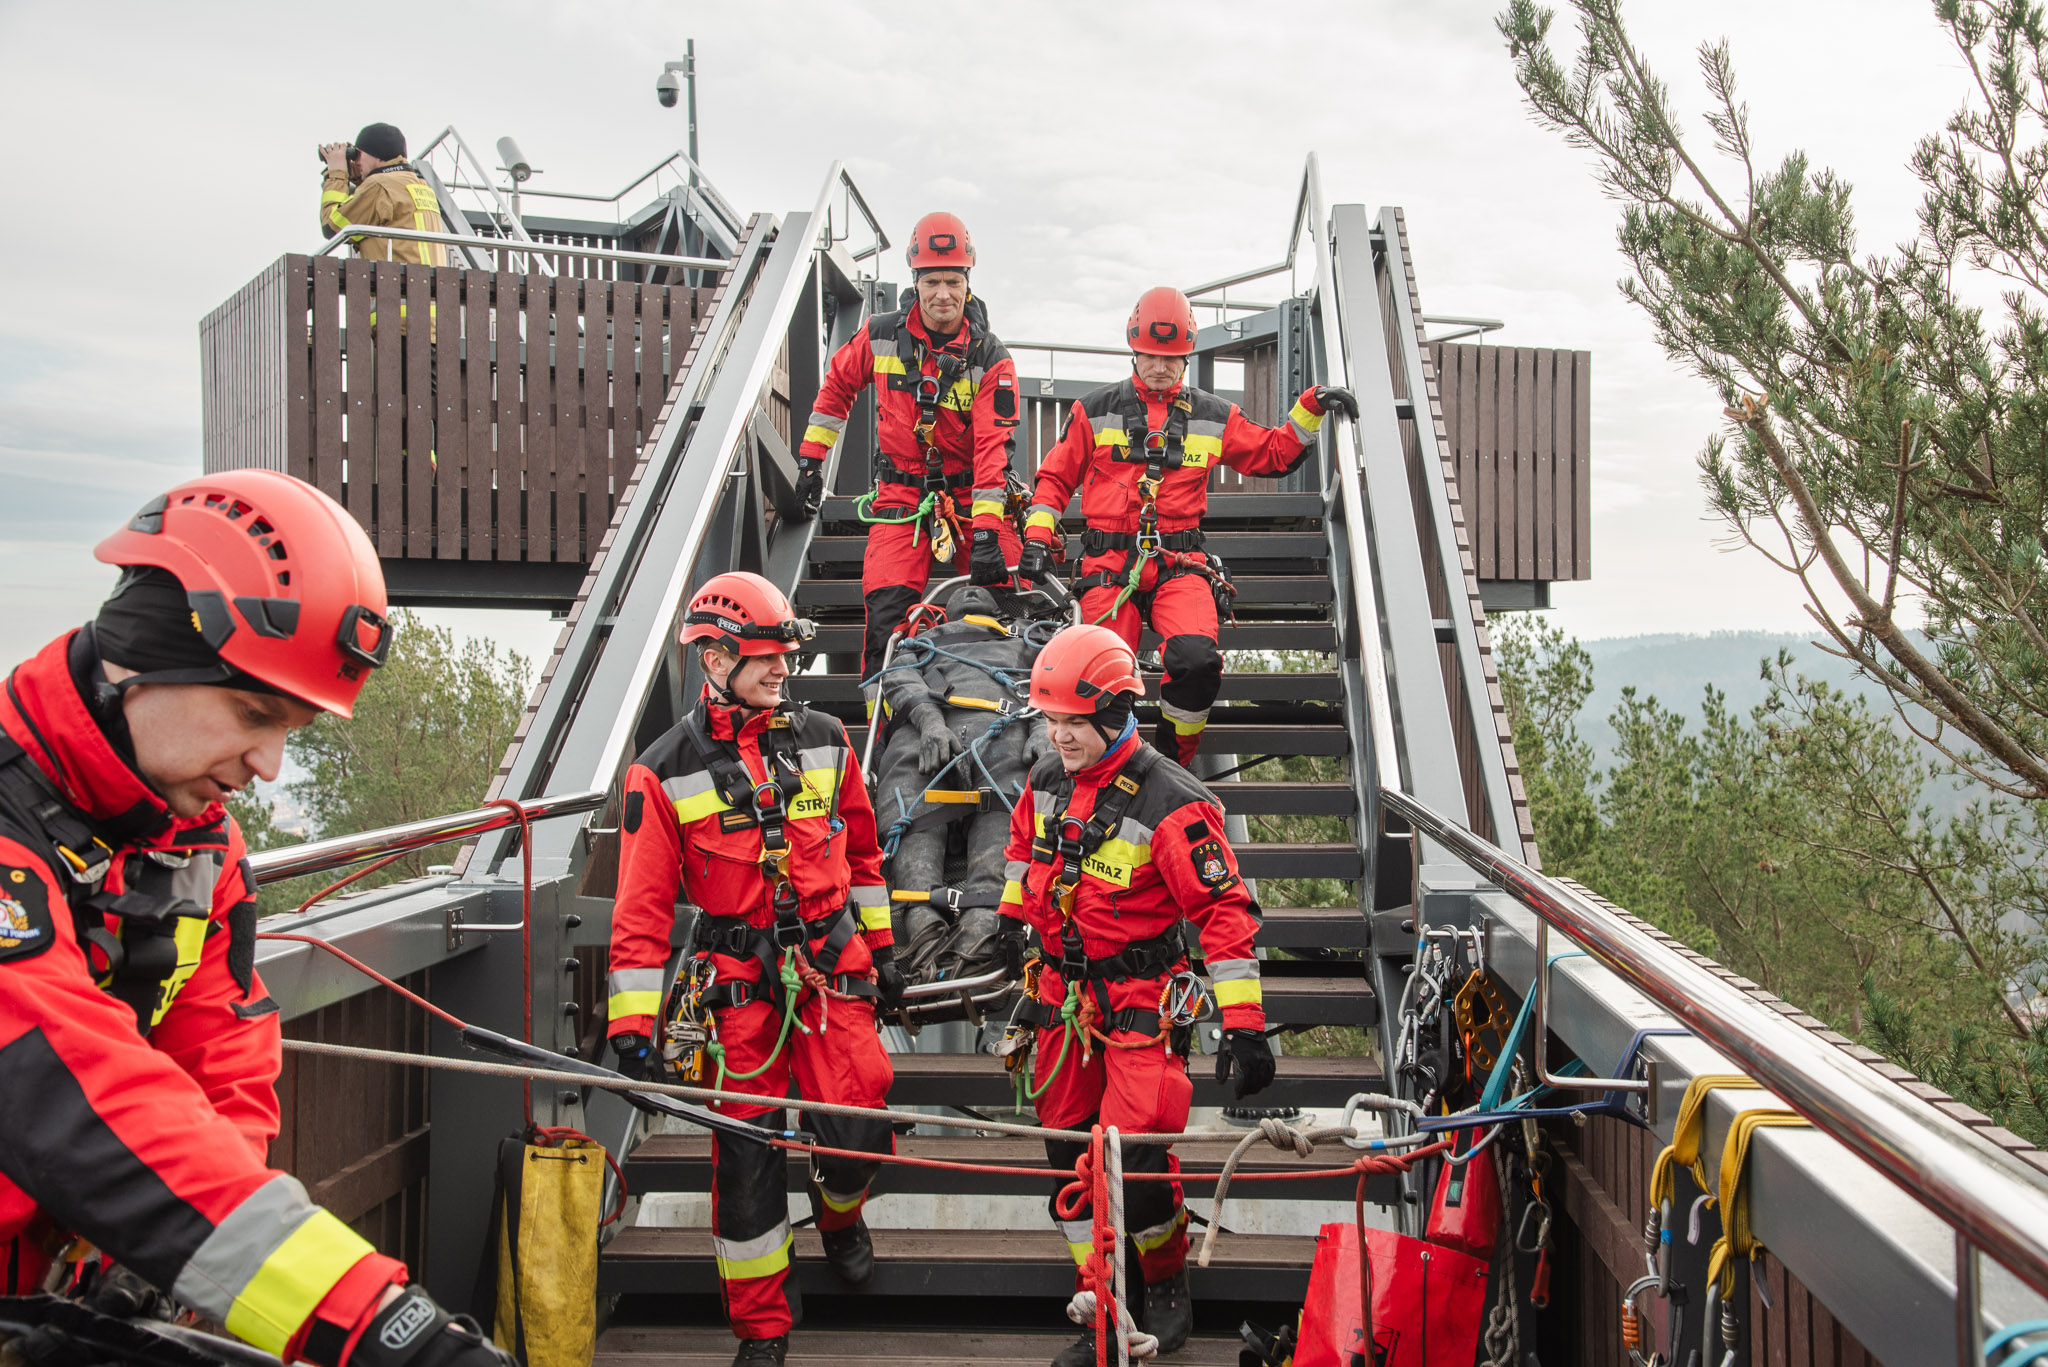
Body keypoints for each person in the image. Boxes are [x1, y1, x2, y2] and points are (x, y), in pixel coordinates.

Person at [0, 469, 505, 1367]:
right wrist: (385, 1327)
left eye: (293, 729)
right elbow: (63, 1082)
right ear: (141, 656)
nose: (268, 765)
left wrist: (180, 1262)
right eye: (252, 711)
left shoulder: (199, 849)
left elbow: (224, 1059)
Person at [605, 572, 900, 1367]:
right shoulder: (662, 772)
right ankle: (763, 1330)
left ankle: (839, 1215)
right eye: (766, 660)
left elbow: (864, 854)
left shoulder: (827, 739)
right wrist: (632, 1027)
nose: (782, 673)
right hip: (741, 991)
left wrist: (886, 952)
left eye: (784, 659)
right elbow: (639, 907)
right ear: (713, 658)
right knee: (745, 1164)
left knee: (860, 1120)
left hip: (832, 967)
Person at [995, 624, 1274, 1365]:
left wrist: (1244, 1026)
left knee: (1135, 1163)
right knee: (1065, 1152)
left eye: (1073, 721)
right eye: (1050, 720)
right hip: (1063, 1001)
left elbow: (1223, 913)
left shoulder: (1174, 801)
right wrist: (1010, 923)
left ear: (1116, 711)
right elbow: (1022, 853)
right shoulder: (1046, 783)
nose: (1059, 735)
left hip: (1139, 1008)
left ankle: (1162, 1276)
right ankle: (1104, 1300)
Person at [1016, 286, 1359, 766]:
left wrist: (1313, 407)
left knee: (1197, 662)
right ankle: (1109, 768)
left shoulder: (1214, 416)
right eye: (1153, 356)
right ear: (1134, 349)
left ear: (1187, 355)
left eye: (1172, 358)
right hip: (1109, 566)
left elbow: (1274, 453)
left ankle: (1171, 762)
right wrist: (1035, 539)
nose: (1161, 367)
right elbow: (1054, 479)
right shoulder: (1092, 411)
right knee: (1094, 678)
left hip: (1180, 564)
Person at [792, 212, 1025, 684]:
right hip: (901, 497)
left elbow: (992, 453)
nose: (944, 294)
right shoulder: (880, 334)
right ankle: (885, 742)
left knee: (1013, 605)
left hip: (969, 500)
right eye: (933, 281)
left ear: (968, 281)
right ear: (915, 280)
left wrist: (984, 532)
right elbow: (837, 387)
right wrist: (811, 462)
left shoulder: (990, 357)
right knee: (885, 621)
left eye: (953, 281)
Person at [868, 586, 1048, 983]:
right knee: (907, 780)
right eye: (963, 591)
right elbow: (897, 679)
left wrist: (1041, 727)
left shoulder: (1027, 639)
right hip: (924, 733)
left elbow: (1051, 679)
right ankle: (919, 914)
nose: (968, 589)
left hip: (1008, 734)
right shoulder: (917, 646)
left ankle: (983, 919)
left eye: (979, 590)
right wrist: (930, 721)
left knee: (1015, 794)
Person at [318, 123, 447, 266]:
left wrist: (337, 175)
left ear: (377, 156)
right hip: (427, 282)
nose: (357, 161)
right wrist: (359, 179)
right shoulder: (419, 185)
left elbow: (332, 227)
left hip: (395, 283)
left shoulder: (379, 185)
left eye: (358, 154)